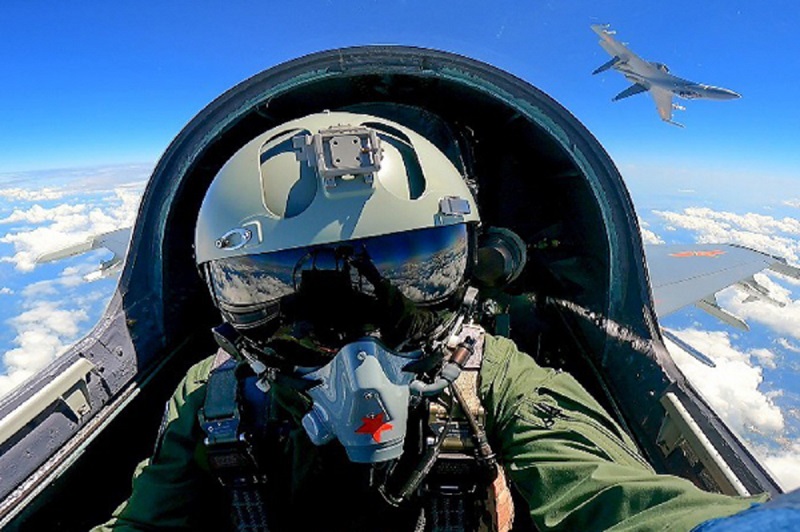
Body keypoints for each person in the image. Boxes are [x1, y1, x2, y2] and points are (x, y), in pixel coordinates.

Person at [93, 110, 766, 531]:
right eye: (289, 293)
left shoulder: (493, 380)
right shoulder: (214, 398)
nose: (358, 351)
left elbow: (615, 498)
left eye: (410, 272)